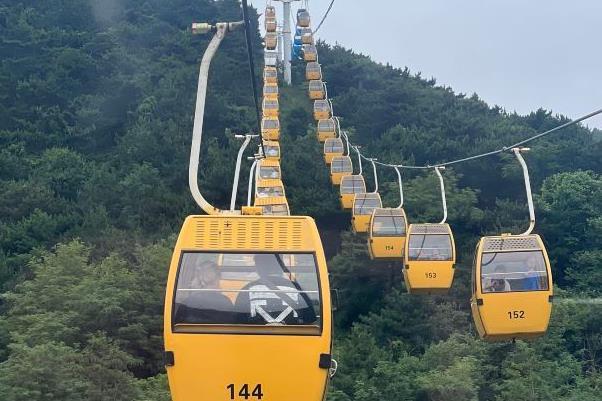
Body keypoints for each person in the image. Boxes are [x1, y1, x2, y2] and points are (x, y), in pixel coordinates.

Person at [234, 254, 316, 325]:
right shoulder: (297, 288)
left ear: (258, 268)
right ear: (281, 267)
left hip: (254, 341)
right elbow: (310, 318)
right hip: (291, 341)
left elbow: (237, 321)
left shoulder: (247, 290)